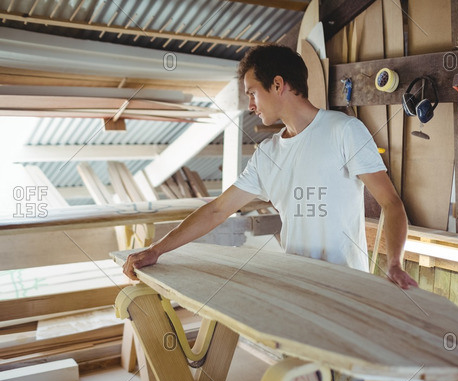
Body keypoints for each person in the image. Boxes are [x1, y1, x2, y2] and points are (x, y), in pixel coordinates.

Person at [122, 44, 417, 290]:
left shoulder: (344, 131)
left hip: (349, 288)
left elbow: (391, 204)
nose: (250, 105)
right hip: (296, 287)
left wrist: (393, 264)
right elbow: (217, 210)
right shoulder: (267, 154)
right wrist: (156, 250)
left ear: (278, 85)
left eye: (252, 93)